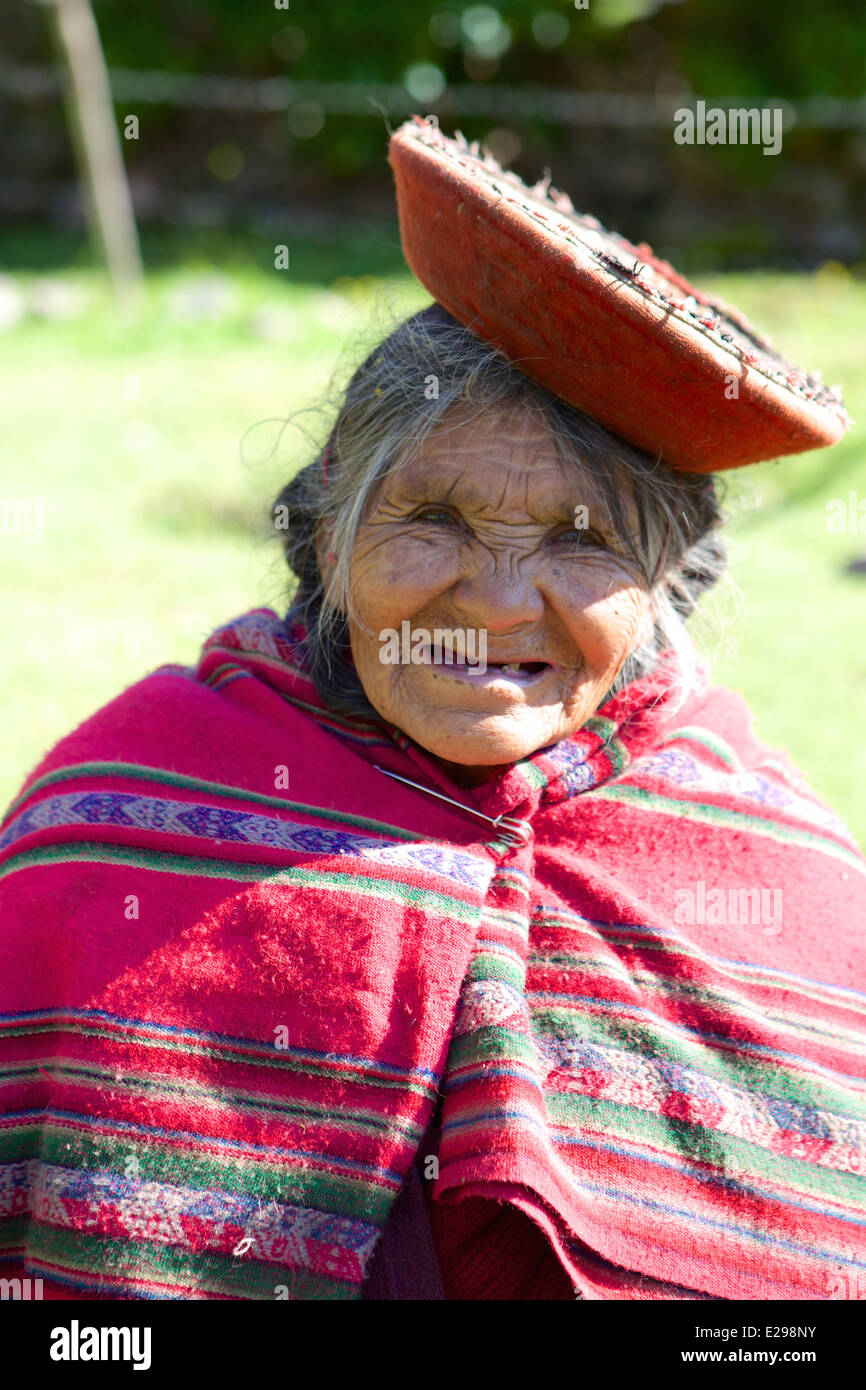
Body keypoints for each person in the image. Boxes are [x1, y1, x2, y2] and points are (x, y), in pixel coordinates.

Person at [1, 121, 863, 1302]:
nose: (497, 601)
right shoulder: (121, 811)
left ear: (666, 583)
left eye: (582, 539)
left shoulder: (780, 873)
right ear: (326, 536)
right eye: (434, 519)